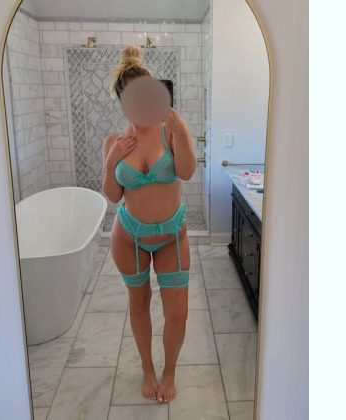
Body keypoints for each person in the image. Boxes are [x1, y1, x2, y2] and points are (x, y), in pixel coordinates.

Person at [102, 45, 197, 403]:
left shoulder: (170, 132)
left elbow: (186, 172)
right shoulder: (115, 142)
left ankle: (169, 372)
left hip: (172, 235)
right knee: (139, 304)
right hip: (129, 238)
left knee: (178, 314)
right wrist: (112, 160)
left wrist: (181, 131)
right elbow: (113, 195)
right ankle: (147, 369)